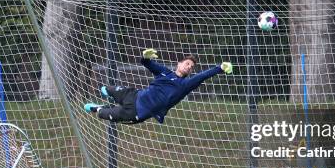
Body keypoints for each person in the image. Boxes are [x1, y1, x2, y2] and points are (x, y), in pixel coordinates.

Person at [84, 48, 233, 124]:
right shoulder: (164, 73)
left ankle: (99, 108)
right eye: (187, 63)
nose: (189, 67)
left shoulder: (185, 85)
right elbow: (147, 63)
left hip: (137, 113)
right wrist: (145, 57)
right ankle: (110, 101)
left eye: (192, 67)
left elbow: (202, 76)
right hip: (134, 95)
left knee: (102, 113)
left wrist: (219, 67)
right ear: (179, 63)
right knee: (105, 89)